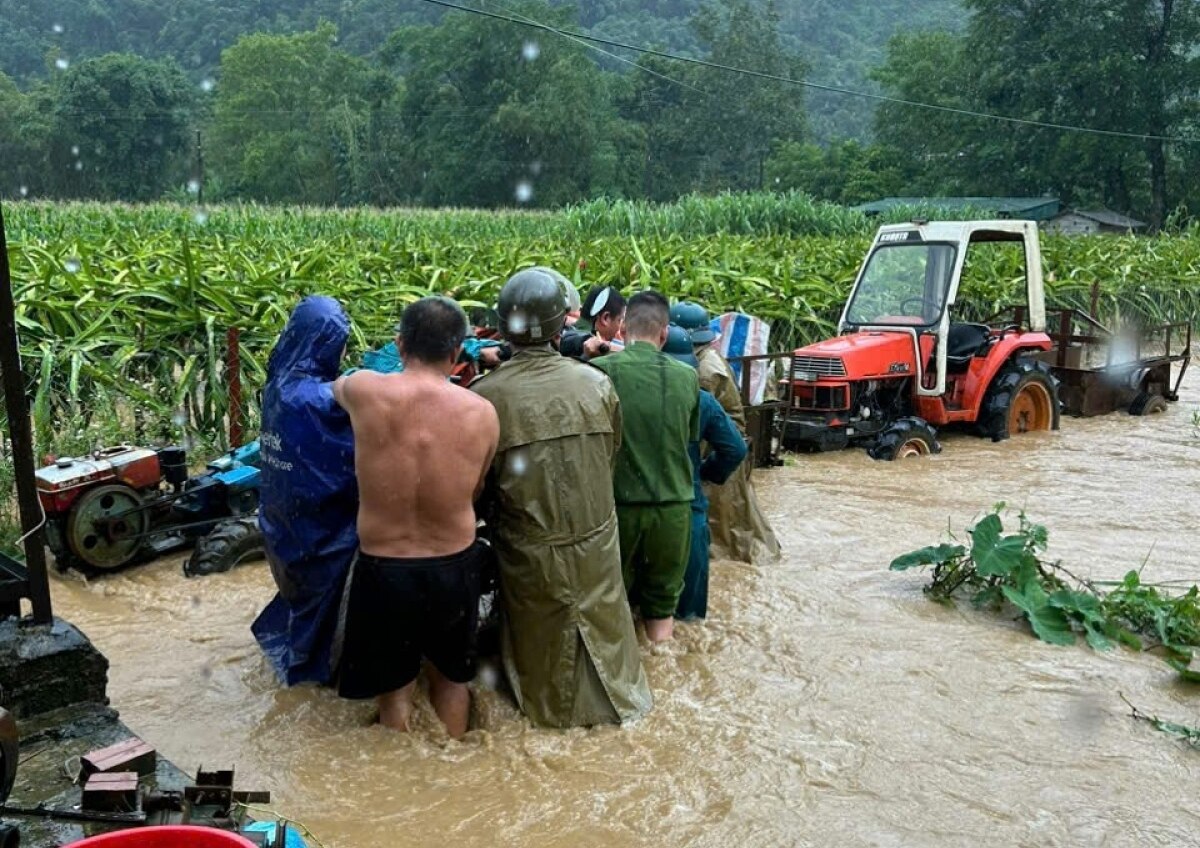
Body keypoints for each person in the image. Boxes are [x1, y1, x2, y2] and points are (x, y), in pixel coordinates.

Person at [472, 268, 651, 728]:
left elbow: (478, 492)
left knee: (542, 666)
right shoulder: (597, 384)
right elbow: (608, 458)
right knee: (609, 648)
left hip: (529, 553)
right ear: (561, 325)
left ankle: (552, 717)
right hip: (596, 542)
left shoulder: (484, 398)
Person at [333, 296, 500, 739]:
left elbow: (335, 387)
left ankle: (402, 769)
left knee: (394, 687)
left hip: (385, 567)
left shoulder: (365, 391)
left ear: (399, 343)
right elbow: (477, 487)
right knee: (451, 679)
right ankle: (452, 763)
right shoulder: (482, 413)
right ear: (455, 352)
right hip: (453, 565)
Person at [252, 296, 358, 687]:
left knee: (304, 598)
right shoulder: (323, 400)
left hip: (283, 523)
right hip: (324, 526)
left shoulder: (278, 383)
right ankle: (319, 673)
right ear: (327, 342)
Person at [593, 292, 699, 643]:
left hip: (616, 511)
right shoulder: (687, 378)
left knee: (611, 609)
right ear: (664, 334)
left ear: (622, 329)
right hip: (673, 510)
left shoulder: (598, 373)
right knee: (661, 611)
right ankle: (665, 678)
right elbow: (691, 437)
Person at [671, 301, 781, 564]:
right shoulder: (707, 357)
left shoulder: (704, 372)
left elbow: (698, 420)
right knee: (736, 522)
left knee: (721, 531)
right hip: (727, 448)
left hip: (717, 451)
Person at [661, 325, 748, 620]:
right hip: (689, 504)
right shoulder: (701, 394)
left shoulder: (625, 392)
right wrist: (706, 472)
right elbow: (735, 449)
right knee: (689, 619)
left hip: (639, 507)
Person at [559, 284, 626, 361]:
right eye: (619, 320)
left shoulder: (564, 331)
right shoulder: (583, 343)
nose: (619, 327)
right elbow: (584, 340)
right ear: (605, 318)